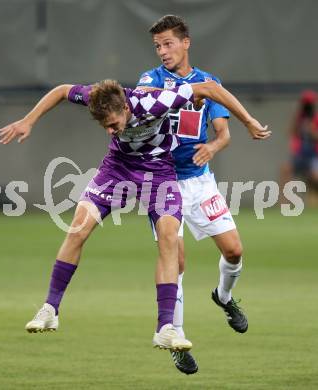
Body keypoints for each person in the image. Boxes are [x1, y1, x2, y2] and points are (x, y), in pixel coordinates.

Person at [0, 78, 269, 354]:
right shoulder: (97, 97)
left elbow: (210, 87)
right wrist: (28, 120)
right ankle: (50, 308)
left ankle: (165, 328)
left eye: (113, 124)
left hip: (159, 175)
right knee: (78, 228)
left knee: (169, 240)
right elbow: (61, 91)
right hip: (116, 171)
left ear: (126, 108)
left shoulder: (154, 102)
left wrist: (247, 121)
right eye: (104, 126)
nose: (109, 130)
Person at [136, 15, 271, 374]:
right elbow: (146, 103)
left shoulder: (209, 83)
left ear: (186, 43)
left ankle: (223, 297)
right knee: (175, 260)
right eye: (158, 46)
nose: (163, 51)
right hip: (163, 182)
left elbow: (223, 134)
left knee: (234, 250)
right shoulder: (150, 80)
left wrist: (213, 147)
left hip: (200, 182)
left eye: (168, 44)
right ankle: (175, 337)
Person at [280, 90, 318, 205]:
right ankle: (283, 204)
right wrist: (296, 120)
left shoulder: (315, 119)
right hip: (300, 154)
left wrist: (311, 130)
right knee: (285, 170)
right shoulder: (299, 119)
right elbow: (290, 133)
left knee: (315, 177)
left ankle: (314, 198)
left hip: (314, 154)